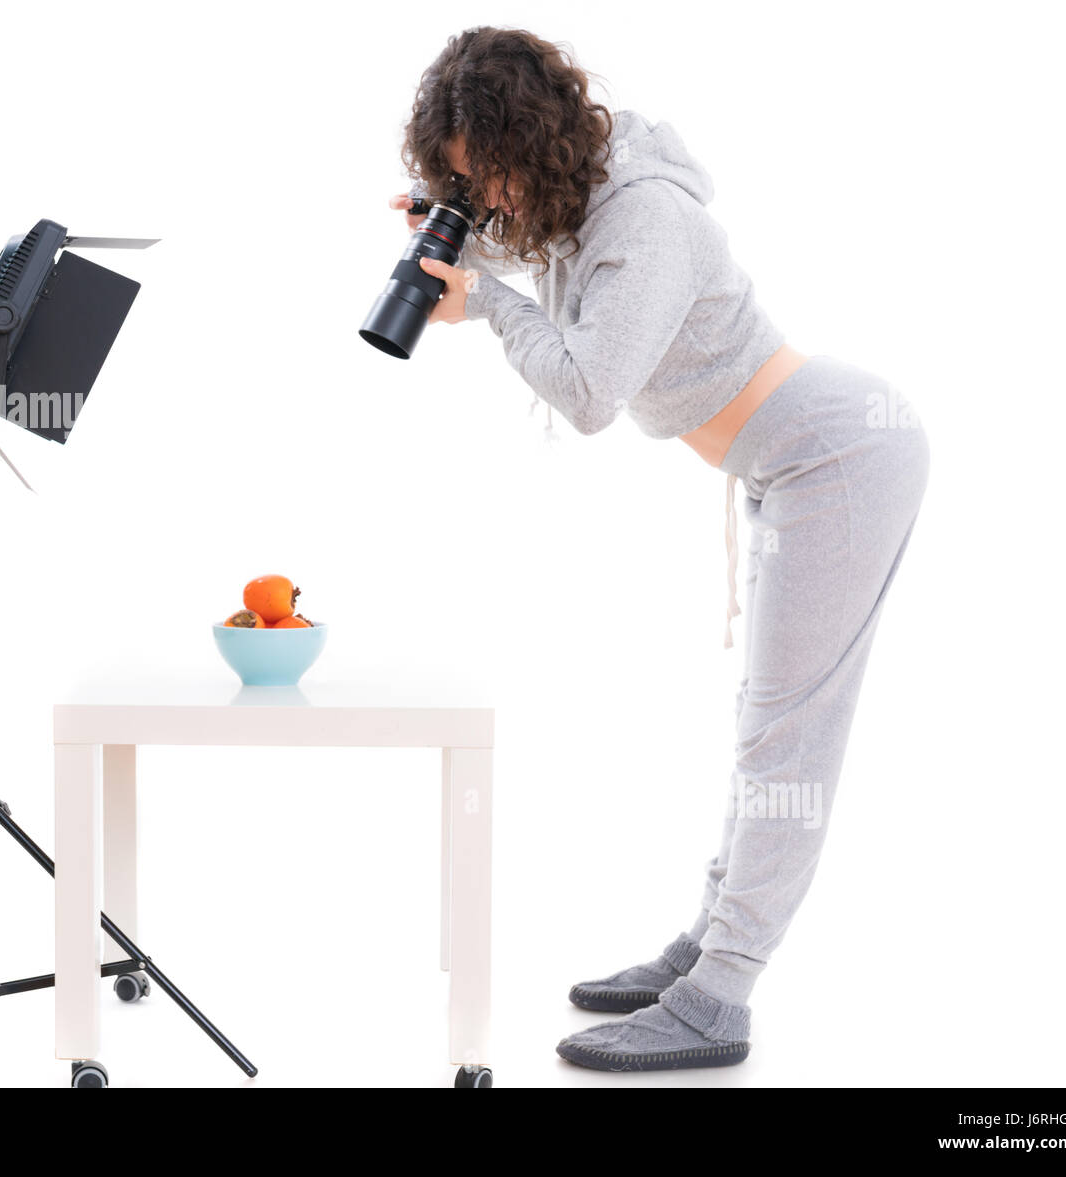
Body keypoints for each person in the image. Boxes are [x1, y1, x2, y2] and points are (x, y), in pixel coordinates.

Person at [391, 26, 930, 1072]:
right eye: (463, 180)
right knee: (759, 723)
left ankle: (720, 997)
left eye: (483, 174)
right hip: (785, 467)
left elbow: (591, 391)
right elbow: (553, 256)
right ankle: (704, 948)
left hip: (839, 458)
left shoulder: (644, 214)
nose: (484, 196)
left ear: (528, 143)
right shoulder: (583, 202)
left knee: (787, 740)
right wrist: (454, 232)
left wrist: (486, 301)